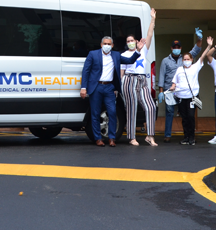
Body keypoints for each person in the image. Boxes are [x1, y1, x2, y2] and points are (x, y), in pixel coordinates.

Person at [81, 36, 142, 147]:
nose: (107, 46)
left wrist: (138, 51)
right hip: (96, 87)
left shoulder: (116, 55)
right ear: (101, 44)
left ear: (112, 46)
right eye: (105, 43)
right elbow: (86, 71)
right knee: (95, 113)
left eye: (109, 44)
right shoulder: (93, 54)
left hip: (109, 87)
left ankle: (112, 138)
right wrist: (83, 87)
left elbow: (129, 61)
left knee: (112, 112)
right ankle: (98, 138)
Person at [157, 30, 203, 142]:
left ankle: (188, 136)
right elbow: (162, 76)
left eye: (178, 47)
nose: (176, 49)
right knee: (169, 112)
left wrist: (200, 39)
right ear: (171, 48)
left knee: (186, 115)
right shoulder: (165, 61)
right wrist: (161, 91)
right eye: (174, 47)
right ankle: (167, 135)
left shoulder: (185, 58)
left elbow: (196, 49)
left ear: (181, 48)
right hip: (170, 90)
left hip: (183, 92)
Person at [121, 9, 157, 146]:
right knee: (131, 107)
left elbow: (149, 34)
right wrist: (120, 87)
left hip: (142, 80)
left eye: (132, 40)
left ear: (136, 41)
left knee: (151, 106)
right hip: (129, 80)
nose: (130, 42)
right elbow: (121, 73)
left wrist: (152, 19)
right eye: (128, 41)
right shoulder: (124, 55)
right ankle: (132, 137)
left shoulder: (143, 51)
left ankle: (150, 136)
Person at [169, 37, 214, 145]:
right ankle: (186, 137)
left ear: (192, 60)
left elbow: (203, 56)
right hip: (181, 97)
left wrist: (209, 46)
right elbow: (174, 81)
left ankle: (192, 138)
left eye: (188, 59)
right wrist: (172, 87)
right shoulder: (179, 69)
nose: (186, 61)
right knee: (184, 118)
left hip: (191, 97)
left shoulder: (195, 67)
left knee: (190, 117)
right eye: (184, 59)